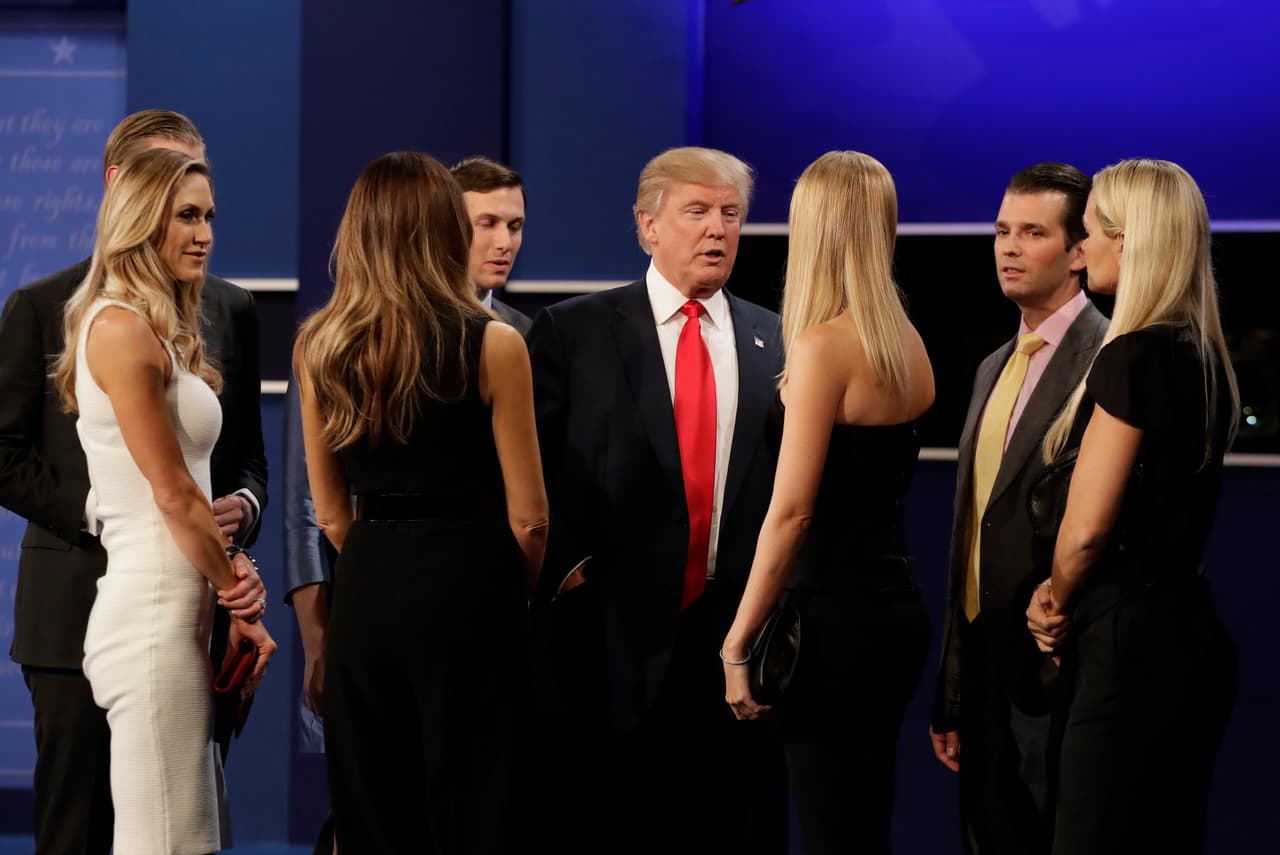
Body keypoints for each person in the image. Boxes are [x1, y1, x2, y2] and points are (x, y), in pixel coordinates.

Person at [0, 109, 268, 855]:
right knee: (107, 830)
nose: (203, 231)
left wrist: (239, 520)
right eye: (181, 206)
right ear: (127, 192)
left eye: (207, 209)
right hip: (107, 601)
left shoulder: (216, 310)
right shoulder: (62, 311)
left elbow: (236, 458)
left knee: (182, 829)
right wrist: (109, 515)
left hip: (189, 605)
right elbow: (163, 491)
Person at [526, 146, 787, 855]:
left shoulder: (778, 338)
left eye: (730, 214)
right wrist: (572, 571)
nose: (717, 230)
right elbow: (536, 469)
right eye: (697, 212)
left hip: (735, 640)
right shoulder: (572, 331)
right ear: (648, 226)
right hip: (606, 639)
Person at [293, 150, 547, 854]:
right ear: (443, 229)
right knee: (479, 808)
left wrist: (385, 564)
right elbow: (531, 519)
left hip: (368, 587)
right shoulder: (496, 343)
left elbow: (332, 512)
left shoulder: (319, 346)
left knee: (373, 808)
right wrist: (497, 593)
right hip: (474, 586)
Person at [719, 151, 934, 855]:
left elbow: (792, 514)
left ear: (814, 229)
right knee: (860, 818)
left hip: (830, 623)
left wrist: (737, 637)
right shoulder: (907, 342)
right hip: (893, 612)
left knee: (832, 823)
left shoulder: (822, 348)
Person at [1026, 159, 1239, 855]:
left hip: (1126, 643)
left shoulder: (1133, 358)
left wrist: (1052, 600)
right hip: (1191, 637)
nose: (1078, 251)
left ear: (1130, 241)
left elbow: (1085, 531)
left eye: (1089, 234)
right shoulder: (1204, 355)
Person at [929, 163, 1108, 854]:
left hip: (1059, 665)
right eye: (1002, 230)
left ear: (1077, 251)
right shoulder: (993, 365)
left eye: (1033, 232)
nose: (1008, 246)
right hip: (982, 671)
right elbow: (970, 531)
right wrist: (951, 688)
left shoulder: (1108, 355)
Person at [452, 155, 532, 333]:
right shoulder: (405, 327)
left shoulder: (527, 334)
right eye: (488, 224)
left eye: (514, 226)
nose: (505, 244)